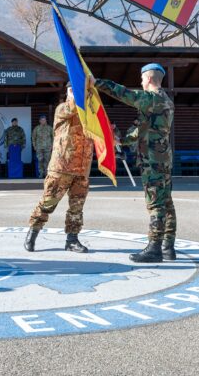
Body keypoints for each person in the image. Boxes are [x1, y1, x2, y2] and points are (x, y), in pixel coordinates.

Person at [91, 63, 176, 262]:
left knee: (155, 203)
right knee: (166, 203)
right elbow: (142, 128)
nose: (140, 83)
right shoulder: (165, 101)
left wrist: (98, 83)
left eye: (141, 79)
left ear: (148, 79)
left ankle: (154, 249)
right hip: (163, 159)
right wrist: (122, 140)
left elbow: (125, 94)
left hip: (152, 161)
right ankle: (168, 247)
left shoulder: (151, 98)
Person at [25, 84, 93, 253]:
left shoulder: (90, 114)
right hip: (61, 167)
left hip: (82, 168)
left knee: (76, 207)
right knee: (48, 203)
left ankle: (72, 240)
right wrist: (79, 92)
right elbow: (73, 107)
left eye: (77, 89)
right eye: (72, 89)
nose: (76, 92)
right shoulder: (62, 108)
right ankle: (33, 232)